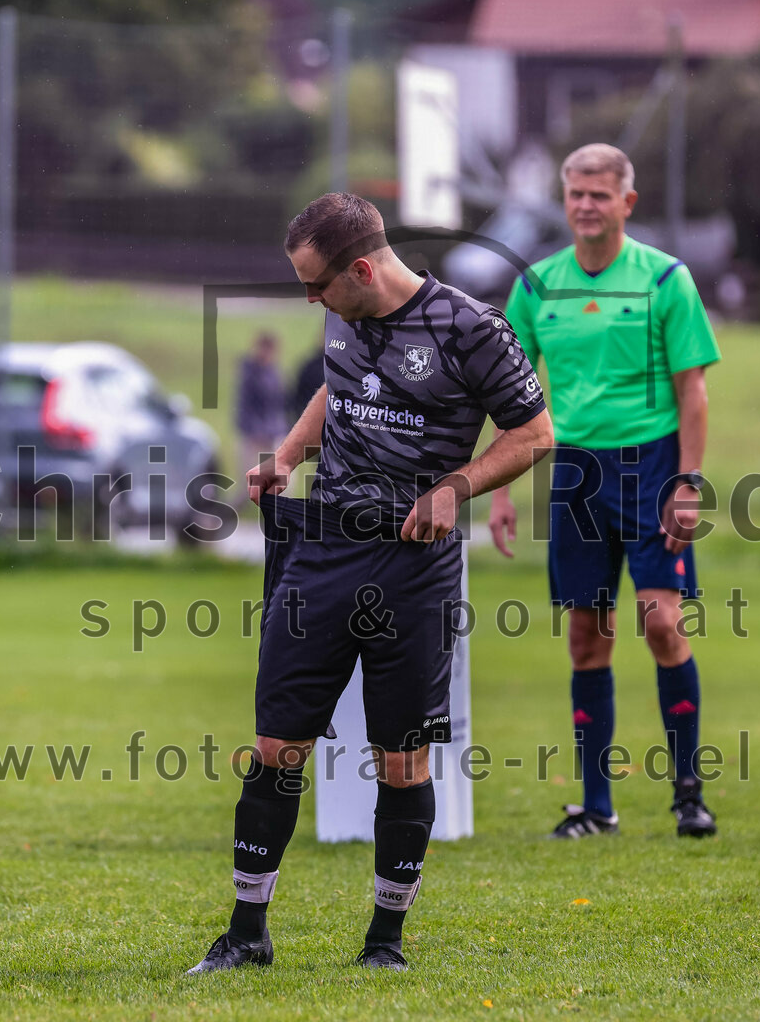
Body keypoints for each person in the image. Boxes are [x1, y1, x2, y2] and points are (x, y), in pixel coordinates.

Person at [188, 192, 553, 974]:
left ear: (362, 268)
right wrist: (286, 455)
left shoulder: (470, 328)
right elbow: (338, 388)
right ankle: (246, 934)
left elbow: (533, 433)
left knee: (401, 756)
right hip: (320, 551)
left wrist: (456, 486)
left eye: (318, 285)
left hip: (413, 567)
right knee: (276, 744)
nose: (311, 300)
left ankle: (384, 943)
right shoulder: (341, 315)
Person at [489, 144, 721, 839]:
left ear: (627, 202)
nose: (586, 205)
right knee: (586, 639)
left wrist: (687, 481)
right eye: (576, 194)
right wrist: (499, 491)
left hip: (652, 467)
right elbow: (508, 394)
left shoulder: (667, 279)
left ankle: (688, 795)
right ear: (564, 201)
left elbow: (694, 390)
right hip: (576, 473)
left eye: (599, 194)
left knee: (660, 624)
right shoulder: (536, 286)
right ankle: (596, 807)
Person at [235, 332, 287, 501]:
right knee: (249, 480)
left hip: (272, 433)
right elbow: (245, 405)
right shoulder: (249, 373)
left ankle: (281, 509)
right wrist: (254, 430)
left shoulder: (274, 373)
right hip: (253, 435)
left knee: (279, 477)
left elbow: (278, 405)